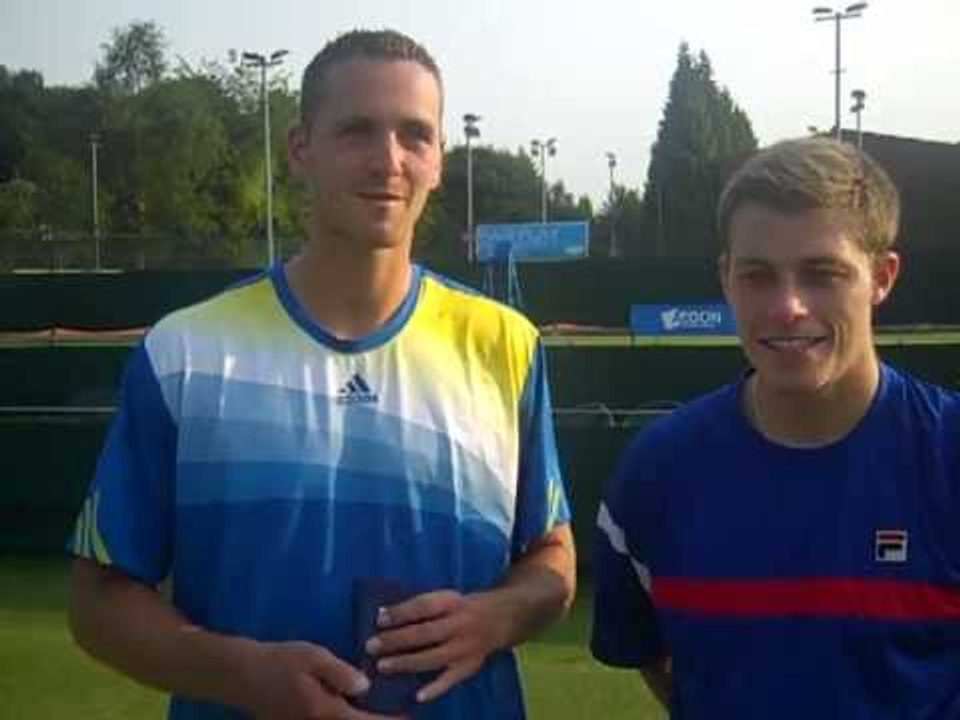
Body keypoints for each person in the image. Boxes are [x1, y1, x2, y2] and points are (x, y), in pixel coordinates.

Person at [67, 29, 575, 720]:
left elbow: (552, 558)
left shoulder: (506, 346)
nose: (388, 160)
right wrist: (243, 675)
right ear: (300, 149)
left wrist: (500, 615)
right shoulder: (186, 351)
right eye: (358, 130)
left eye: (415, 135)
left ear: (439, 160)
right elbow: (98, 600)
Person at [591, 136, 960, 718]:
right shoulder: (657, 473)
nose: (788, 306)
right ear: (725, 278)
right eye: (758, 276)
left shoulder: (946, 454)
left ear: (882, 276)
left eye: (823, 273)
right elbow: (653, 657)